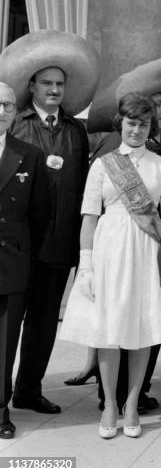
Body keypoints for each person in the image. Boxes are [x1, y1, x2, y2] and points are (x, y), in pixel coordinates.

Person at [60, 92, 161, 439]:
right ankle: (110, 403)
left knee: (142, 329)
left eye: (144, 124)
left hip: (146, 252)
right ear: (121, 123)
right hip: (109, 252)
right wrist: (85, 265)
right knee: (109, 331)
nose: (137, 130)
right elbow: (89, 217)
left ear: (150, 127)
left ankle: (131, 404)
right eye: (131, 123)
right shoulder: (103, 164)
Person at [0, 30, 98, 415]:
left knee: (43, 326)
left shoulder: (76, 132)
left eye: (60, 84)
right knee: (8, 327)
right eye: (47, 83)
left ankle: (29, 390)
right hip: (19, 247)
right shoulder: (17, 126)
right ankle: (1, 398)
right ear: (32, 87)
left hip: (58, 246)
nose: (54, 90)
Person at [0, 83, 48, 439]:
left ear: (15, 113)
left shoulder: (28, 155)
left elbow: (40, 212)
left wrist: (27, 256)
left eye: (8, 105)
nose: (2, 110)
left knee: (5, 341)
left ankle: (1, 408)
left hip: (11, 259)